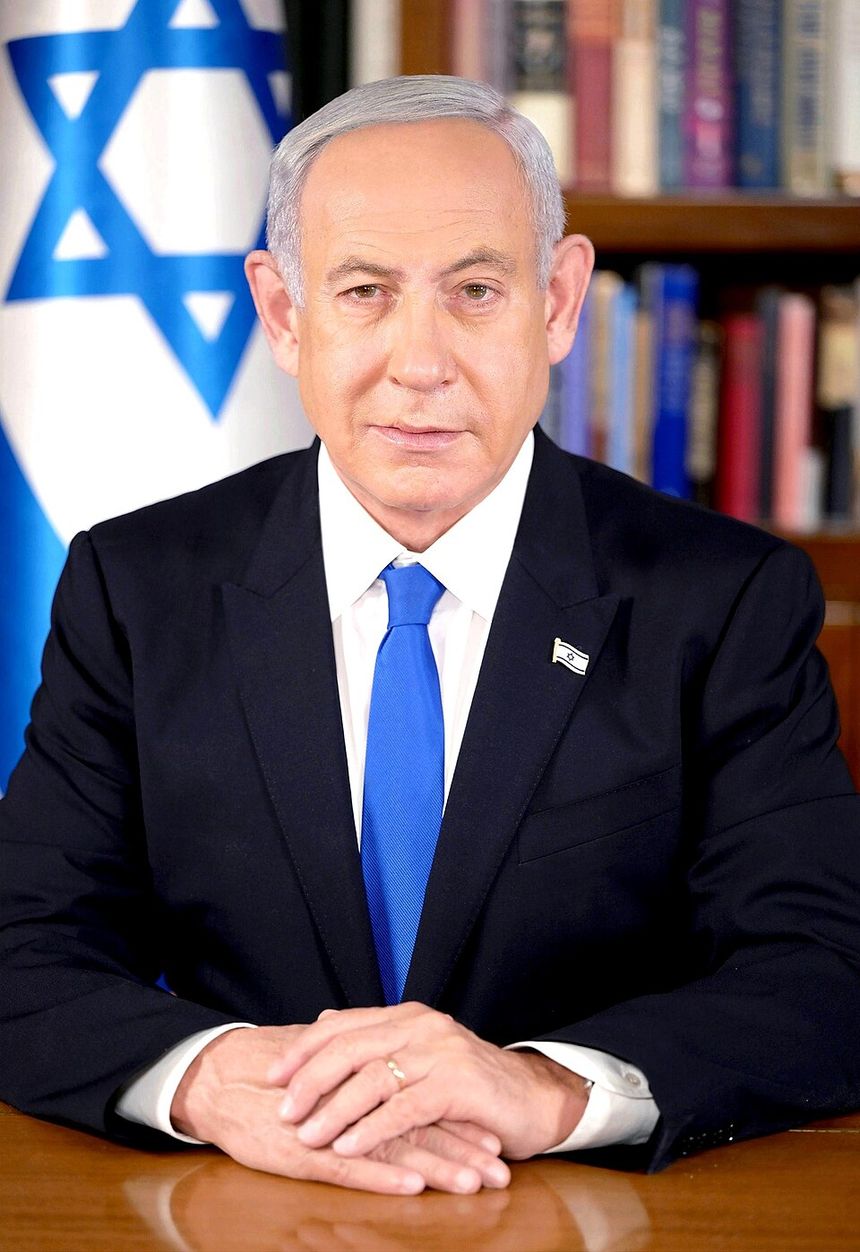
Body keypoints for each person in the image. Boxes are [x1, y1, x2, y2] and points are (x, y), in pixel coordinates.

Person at [1, 77, 859, 1197]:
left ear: (556, 302)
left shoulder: (723, 599)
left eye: (474, 290)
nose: (420, 362)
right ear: (281, 313)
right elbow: (23, 949)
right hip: (242, 1206)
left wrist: (544, 1089)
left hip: (585, 1214)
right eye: (363, 291)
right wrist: (214, 1076)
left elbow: (823, 977)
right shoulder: (137, 588)